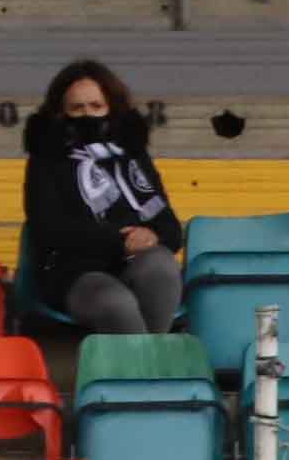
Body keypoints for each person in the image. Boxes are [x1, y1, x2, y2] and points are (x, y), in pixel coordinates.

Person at [22, 59, 186, 336]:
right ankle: (150, 372)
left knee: (161, 264)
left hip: (134, 266)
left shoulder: (133, 155)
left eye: (96, 106)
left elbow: (169, 225)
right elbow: (47, 230)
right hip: (75, 274)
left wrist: (152, 237)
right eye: (77, 108)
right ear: (61, 113)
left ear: (112, 108)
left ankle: (143, 366)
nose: (87, 115)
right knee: (117, 303)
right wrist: (119, 241)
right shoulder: (46, 159)